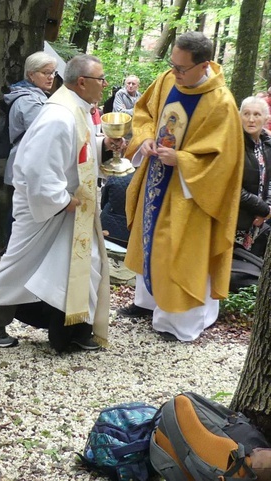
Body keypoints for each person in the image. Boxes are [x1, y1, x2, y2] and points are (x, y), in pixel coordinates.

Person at [0, 54, 118, 352]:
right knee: (20, 265)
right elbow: (37, 165)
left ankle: (73, 329)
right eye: (100, 79)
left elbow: (79, 151)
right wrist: (61, 200)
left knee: (77, 266)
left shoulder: (77, 108)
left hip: (71, 207)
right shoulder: (59, 115)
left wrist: (105, 146)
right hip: (48, 207)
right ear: (82, 82)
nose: (105, 85)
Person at [119, 32, 244, 342]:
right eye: (172, 65)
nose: (174, 73)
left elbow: (225, 160)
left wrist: (183, 159)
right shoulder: (167, 80)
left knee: (179, 251)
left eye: (181, 68)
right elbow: (144, 112)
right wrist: (147, 138)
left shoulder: (221, 103)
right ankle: (147, 302)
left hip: (192, 193)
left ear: (204, 65)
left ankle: (179, 322)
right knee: (149, 242)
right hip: (156, 179)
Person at [1, 51, 57, 242]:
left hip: (26, 159)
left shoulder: (36, 96)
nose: (51, 77)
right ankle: (12, 247)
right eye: (46, 72)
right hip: (25, 161)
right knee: (21, 208)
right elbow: (43, 133)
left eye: (53, 73)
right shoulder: (29, 100)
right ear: (31, 74)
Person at [236, 96, 271, 256]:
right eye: (246, 114)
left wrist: (268, 208)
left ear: (266, 118)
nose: (251, 119)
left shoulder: (267, 145)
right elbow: (231, 186)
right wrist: (262, 208)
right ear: (239, 115)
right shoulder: (234, 144)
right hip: (234, 219)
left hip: (255, 222)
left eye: (257, 114)